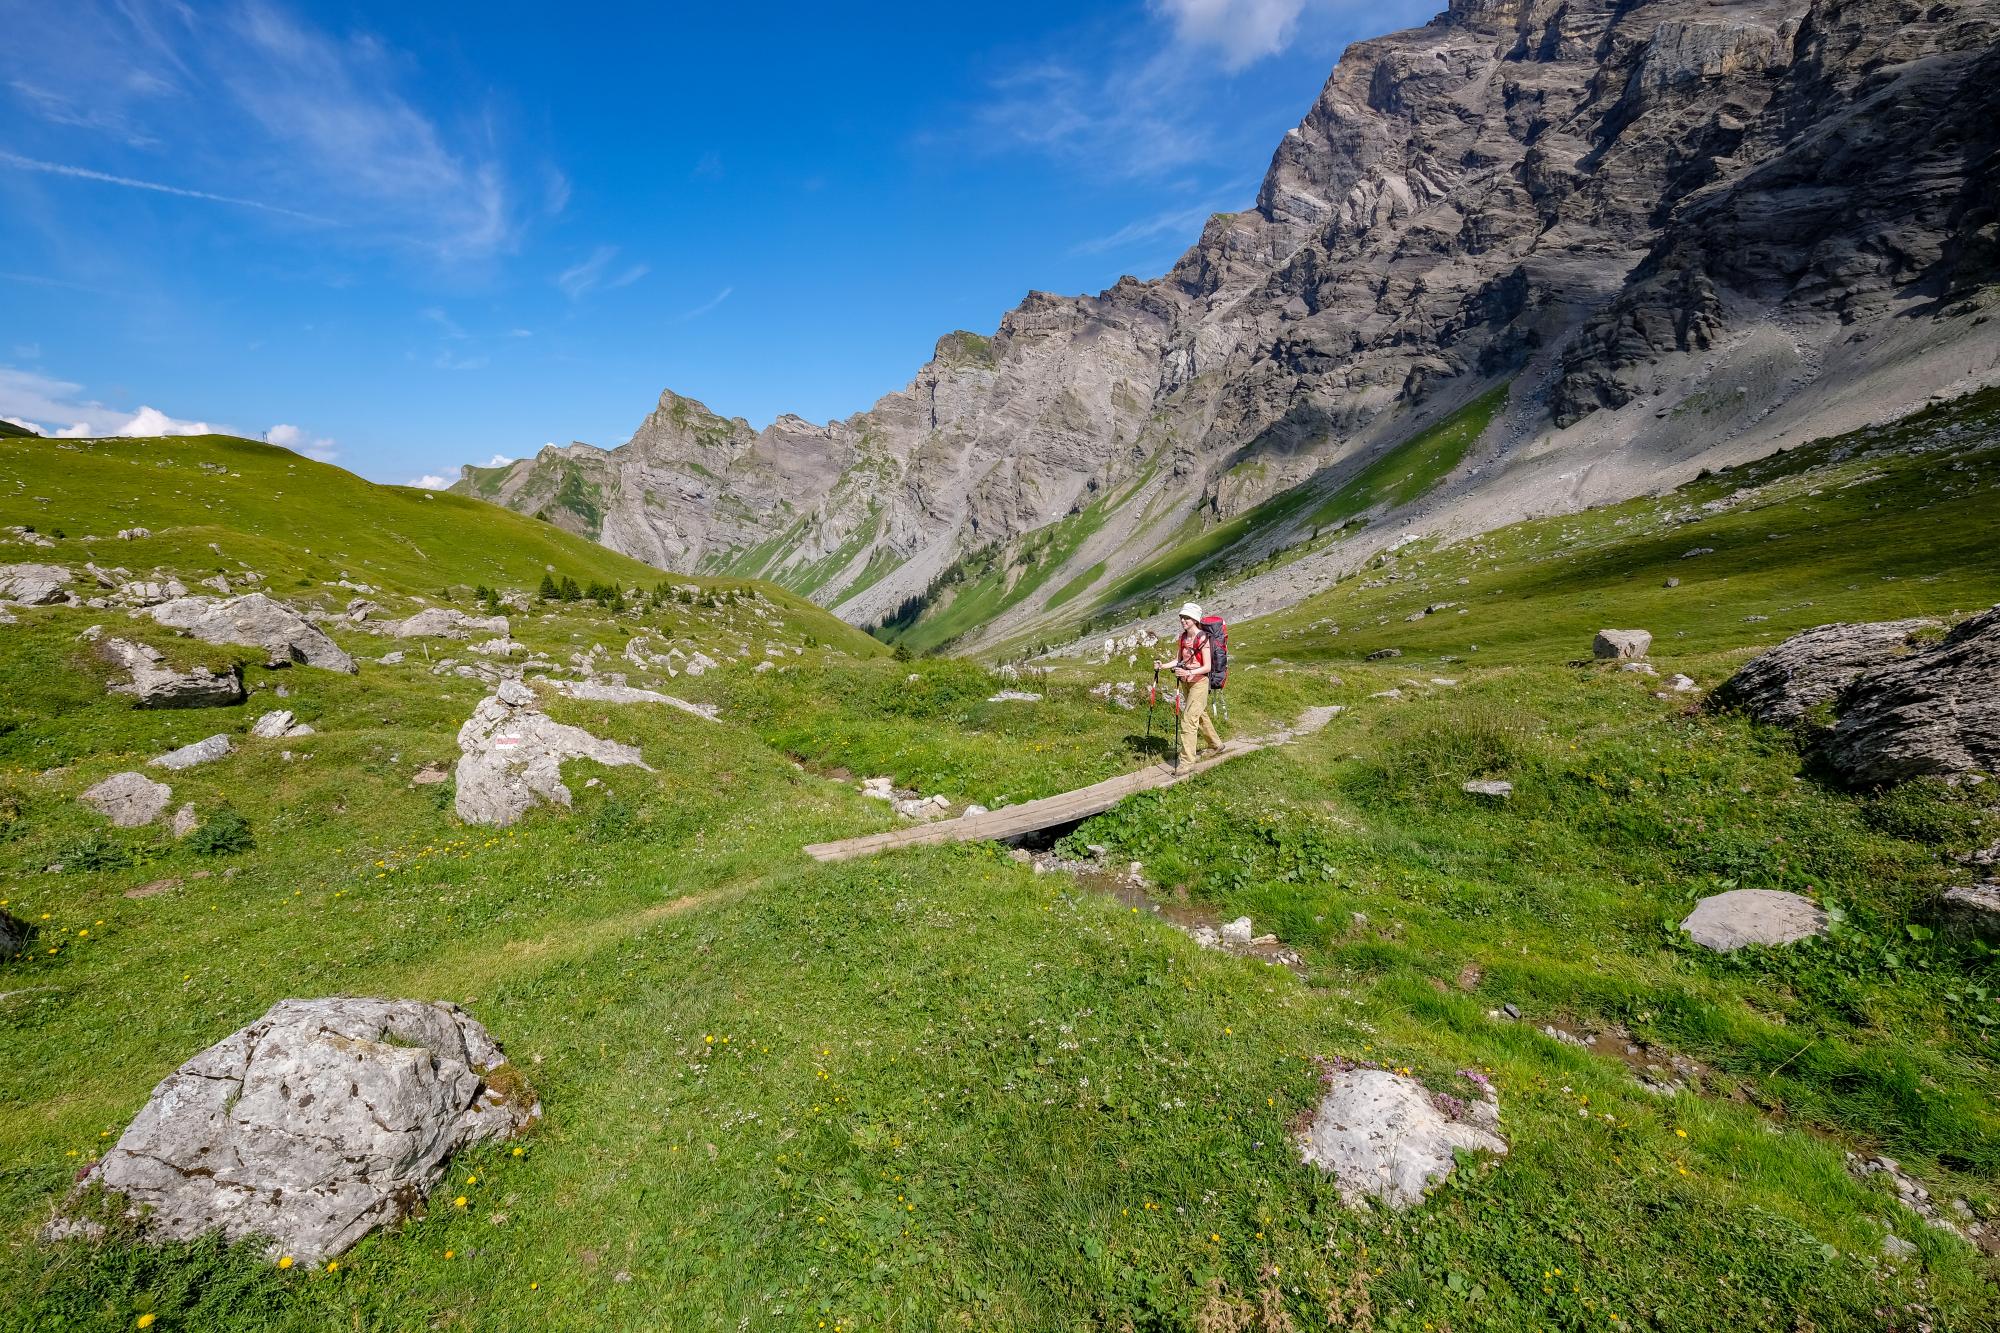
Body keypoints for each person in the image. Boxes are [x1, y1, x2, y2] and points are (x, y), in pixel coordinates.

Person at [1156, 601, 1223, 769]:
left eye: (1186, 617)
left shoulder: (1203, 638)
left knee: (1188, 720)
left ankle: (1186, 762)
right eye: (1181, 617)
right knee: (1200, 715)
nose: (1183, 620)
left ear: (1194, 619)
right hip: (1186, 682)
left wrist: (1189, 673)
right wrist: (1162, 666)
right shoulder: (1184, 637)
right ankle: (1216, 744)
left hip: (1199, 682)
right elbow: (1179, 660)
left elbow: (1207, 666)